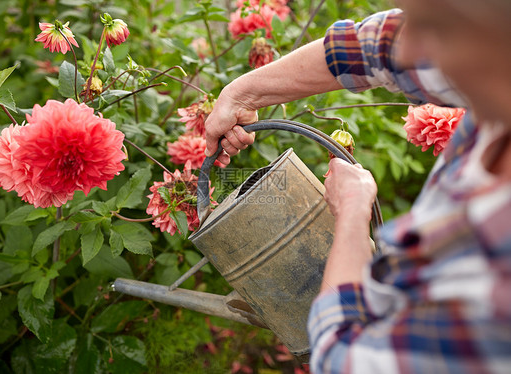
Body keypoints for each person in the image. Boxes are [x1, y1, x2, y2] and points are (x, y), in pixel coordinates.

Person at [204, 0, 511, 372]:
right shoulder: (491, 61)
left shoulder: (496, 260)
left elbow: (343, 362)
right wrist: (243, 93)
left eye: (435, 26)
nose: (409, 46)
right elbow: (377, 48)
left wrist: (351, 214)